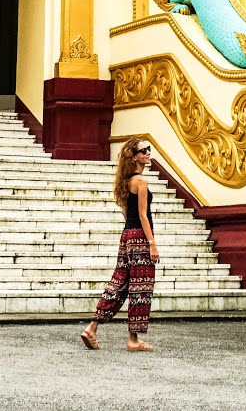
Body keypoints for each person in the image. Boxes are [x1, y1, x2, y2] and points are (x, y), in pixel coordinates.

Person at [81, 138, 160, 352]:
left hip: (127, 235)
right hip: (140, 237)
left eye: (148, 149)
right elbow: (143, 215)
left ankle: (92, 328)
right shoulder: (141, 181)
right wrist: (152, 243)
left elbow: (127, 213)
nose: (147, 153)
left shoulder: (125, 182)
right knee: (140, 288)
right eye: (143, 151)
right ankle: (133, 340)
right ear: (134, 157)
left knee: (119, 283)